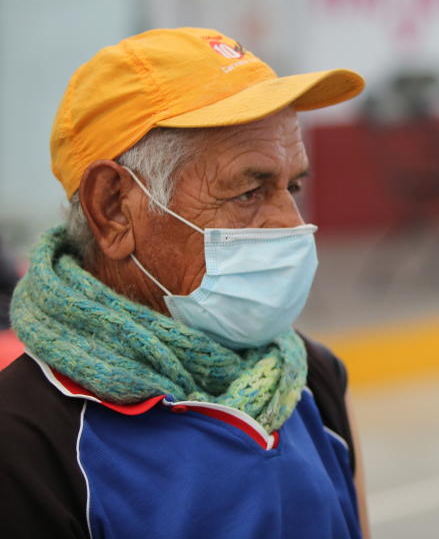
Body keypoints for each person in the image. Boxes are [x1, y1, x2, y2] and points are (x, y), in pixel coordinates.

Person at [0, 27, 369, 538]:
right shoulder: (26, 440)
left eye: (294, 186)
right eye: (248, 192)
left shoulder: (311, 381)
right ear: (113, 210)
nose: (291, 222)